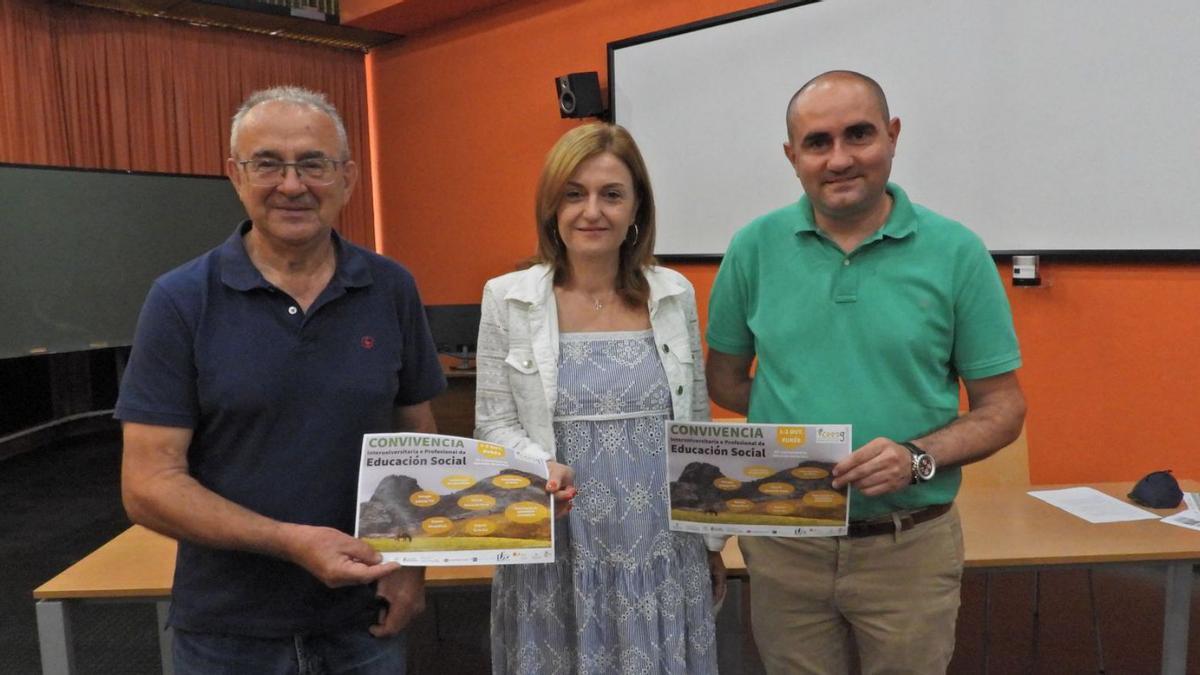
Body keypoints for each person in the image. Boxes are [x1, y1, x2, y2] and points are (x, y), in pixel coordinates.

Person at [116, 86, 447, 673]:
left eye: (313, 164)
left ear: (346, 177)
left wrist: (413, 569)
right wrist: (290, 541)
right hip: (228, 631)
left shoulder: (392, 288)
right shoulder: (180, 300)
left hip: (364, 623)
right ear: (235, 175)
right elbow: (148, 483)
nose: (292, 185)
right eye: (267, 163)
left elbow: (417, 439)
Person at [705, 71, 1027, 674]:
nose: (840, 159)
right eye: (817, 142)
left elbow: (1003, 408)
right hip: (784, 543)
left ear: (893, 135)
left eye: (859, 135)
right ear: (791, 156)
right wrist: (795, 419)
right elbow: (724, 381)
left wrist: (917, 456)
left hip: (909, 546)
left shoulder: (956, 253)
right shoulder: (752, 248)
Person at [476, 122, 723, 674]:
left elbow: (695, 424)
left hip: (660, 548)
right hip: (558, 545)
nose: (593, 211)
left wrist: (710, 541)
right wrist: (542, 464)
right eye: (574, 194)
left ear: (636, 209)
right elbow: (492, 424)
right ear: (551, 208)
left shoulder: (673, 294)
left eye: (611, 195)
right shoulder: (507, 299)